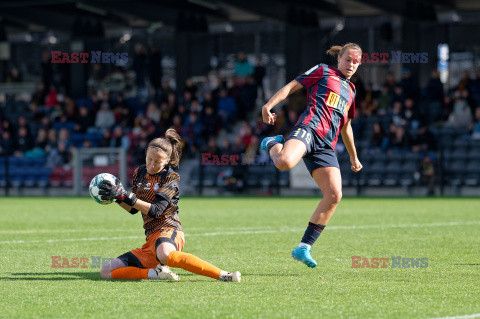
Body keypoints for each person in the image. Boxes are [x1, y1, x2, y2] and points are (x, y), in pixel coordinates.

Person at [260, 43, 363, 268]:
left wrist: (354, 157)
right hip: (308, 128)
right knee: (285, 162)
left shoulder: (352, 91)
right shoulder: (323, 71)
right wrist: (268, 105)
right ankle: (272, 143)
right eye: (348, 60)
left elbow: (346, 127)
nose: (351, 65)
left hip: (327, 145)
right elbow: (290, 87)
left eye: (356, 62)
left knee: (335, 194)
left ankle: (304, 247)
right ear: (339, 58)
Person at [98, 128, 241, 282]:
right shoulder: (139, 172)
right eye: (149, 159)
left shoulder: (171, 178)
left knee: (165, 254)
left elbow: (156, 210)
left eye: (157, 161)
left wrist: (126, 195)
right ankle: (156, 274)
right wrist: (118, 198)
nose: (151, 165)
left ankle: (223, 275)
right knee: (106, 271)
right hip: (150, 241)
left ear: (166, 160)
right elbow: (133, 209)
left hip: (169, 230)